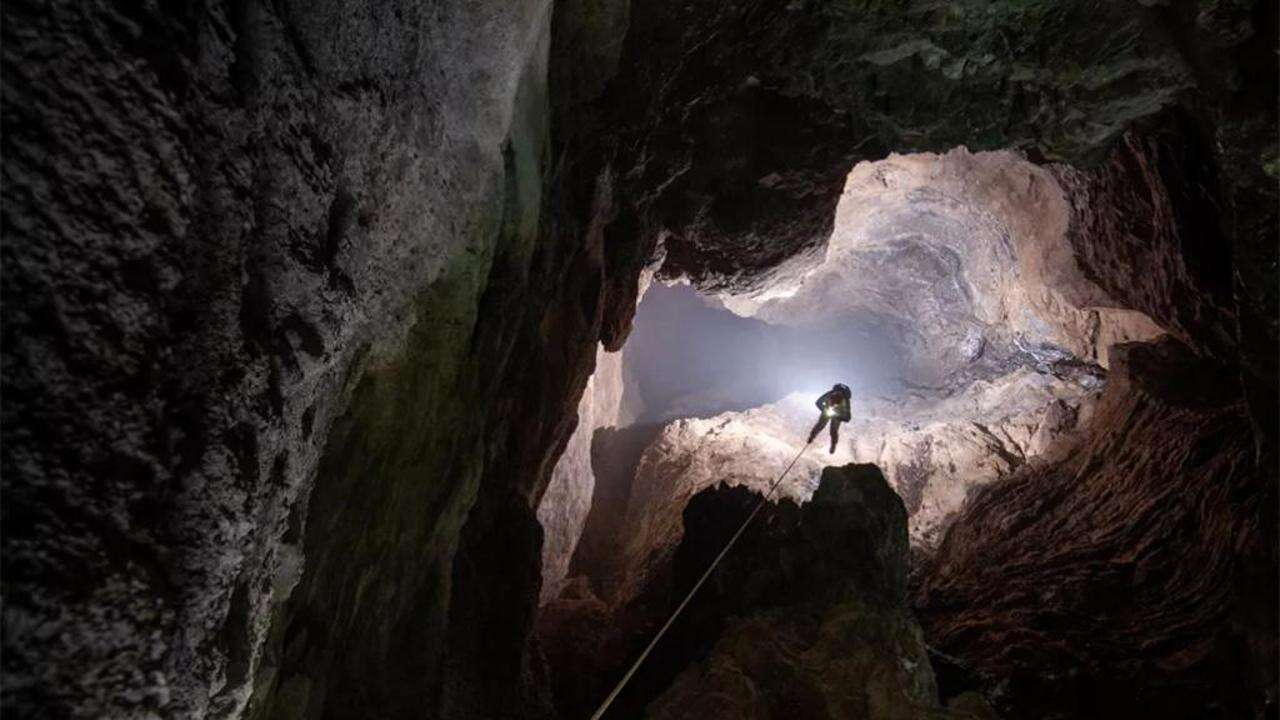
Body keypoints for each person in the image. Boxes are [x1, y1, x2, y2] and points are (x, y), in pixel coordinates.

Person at [808, 383, 852, 454]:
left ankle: (833, 444)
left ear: (843, 395)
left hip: (838, 414)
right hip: (827, 409)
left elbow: (848, 417)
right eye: (836, 393)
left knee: (833, 430)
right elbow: (818, 402)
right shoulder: (829, 394)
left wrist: (839, 416)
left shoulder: (845, 401)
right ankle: (812, 436)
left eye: (840, 394)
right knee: (820, 425)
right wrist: (824, 409)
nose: (837, 394)